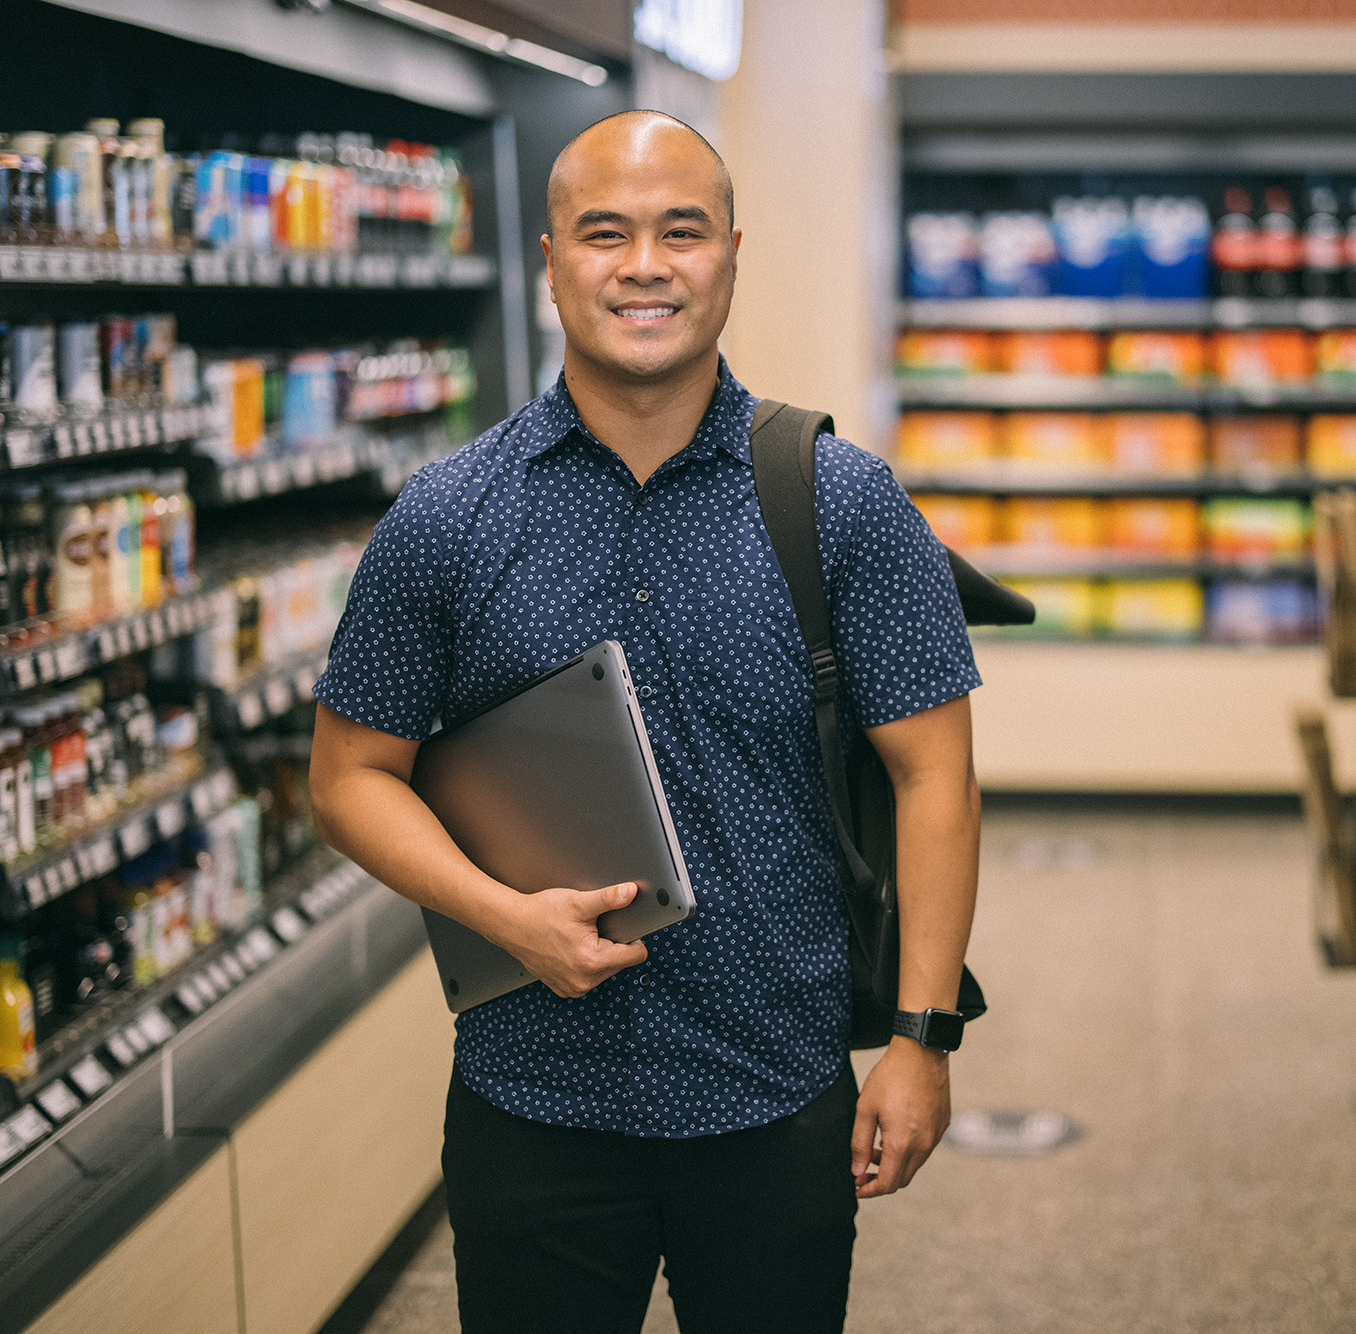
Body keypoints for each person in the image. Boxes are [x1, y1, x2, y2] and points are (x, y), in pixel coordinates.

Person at [306, 109, 982, 1334]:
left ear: (729, 250)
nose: (644, 264)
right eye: (603, 233)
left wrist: (919, 1038)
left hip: (775, 1090)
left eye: (680, 230)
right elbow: (350, 773)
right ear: (551, 265)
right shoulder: (446, 516)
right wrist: (504, 917)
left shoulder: (844, 503)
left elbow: (935, 777)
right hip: (531, 1101)